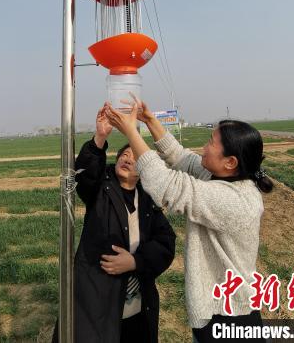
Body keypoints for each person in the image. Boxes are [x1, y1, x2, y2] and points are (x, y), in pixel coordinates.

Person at [104, 100, 274, 343]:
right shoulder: (221, 176)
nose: (204, 149)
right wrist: (149, 121)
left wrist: (131, 132)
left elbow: (167, 185)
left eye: (211, 143)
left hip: (228, 317)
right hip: (219, 311)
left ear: (230, 162)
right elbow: (182, 158)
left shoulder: (234, 200)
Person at [52, 106, 176, 343]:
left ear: (145, 171)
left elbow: (166, 243)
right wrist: (100, 137)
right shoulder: (101, 187)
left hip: (137, 309)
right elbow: (85, 176)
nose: (127, 158)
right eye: (124, 154)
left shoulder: (147, 200)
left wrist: (135, 261)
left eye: (135, 157)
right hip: (97, 302)